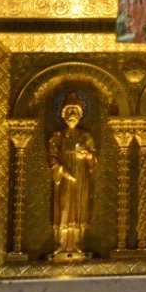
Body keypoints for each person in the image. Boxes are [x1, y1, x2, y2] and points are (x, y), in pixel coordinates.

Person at [48, 93, 96, 261]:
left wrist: (87, 156)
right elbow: (52, 159)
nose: (72, 115)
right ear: (63, 114)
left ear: (80, 114)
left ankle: (77, 244)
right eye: (69, 111)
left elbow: (93, 160)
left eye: (75, 111)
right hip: (64, 178)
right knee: (63, 209)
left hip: (81, 177)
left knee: (79, 209)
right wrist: (63, 171)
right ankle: (61, 244)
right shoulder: (58, 137)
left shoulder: (86, 136)